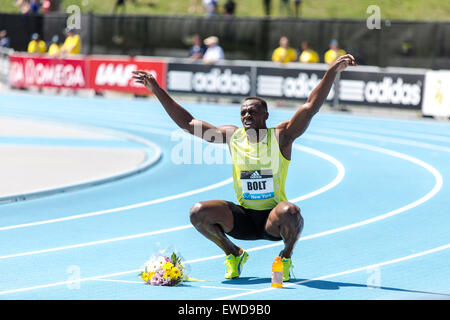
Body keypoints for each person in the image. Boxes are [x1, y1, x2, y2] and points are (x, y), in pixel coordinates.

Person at [132, 54, 357, 281]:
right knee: (198, 212)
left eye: (252, 111)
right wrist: (156, 89)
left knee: (291, 212)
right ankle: (234, 253)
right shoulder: (232, 136)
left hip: (273, 221)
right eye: (243, 112)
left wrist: (332, 72)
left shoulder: (282, 137)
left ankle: (285, 258)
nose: (246, 115)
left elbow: (310, 107)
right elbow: (189, 124)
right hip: (244, 218)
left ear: (266, 115)